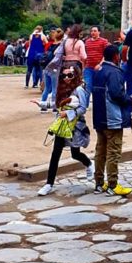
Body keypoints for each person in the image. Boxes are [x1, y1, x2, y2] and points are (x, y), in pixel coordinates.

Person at [38, 62, 93, 195]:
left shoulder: (79, 89)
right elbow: (56, 105)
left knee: (75, 153)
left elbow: (83, 108)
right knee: (55, 153)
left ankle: (89, 164)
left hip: (75, 126)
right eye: (64, 75)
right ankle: (49, 184)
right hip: (62, 125)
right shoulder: (61, 89)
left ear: (76, 75)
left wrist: (68, 114)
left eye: (70, 75)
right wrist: (41, 103)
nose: (67, 78)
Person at [91, 43, 132, 196]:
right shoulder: (115, 72)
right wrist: (130, 100)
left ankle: (98, 183)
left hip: (99, 117)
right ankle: (112, 184)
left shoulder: (98, 71)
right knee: (113, 152)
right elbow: (117, 94)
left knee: (100, 151)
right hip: (112, 117)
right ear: (116, 56)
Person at [83, 26, 109, 95]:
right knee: (88, 86)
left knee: (98, 88)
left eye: (95, 31)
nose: (93, 32)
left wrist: (100, 64)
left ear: (99, 32)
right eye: (92, 31)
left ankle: (98, 104)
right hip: (88, 68)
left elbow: (106, 54)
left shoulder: (104, 41)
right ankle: (84, 105)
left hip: (100, 68)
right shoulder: (87, 42)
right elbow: (85, 54)